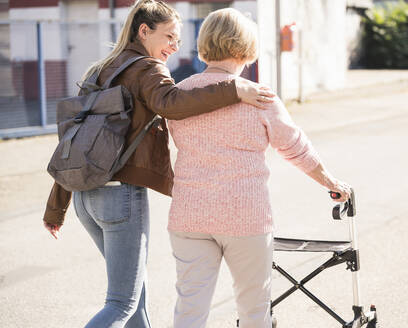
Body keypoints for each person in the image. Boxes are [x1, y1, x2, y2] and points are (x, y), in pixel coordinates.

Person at [42, 1, 275, 327]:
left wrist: (57, 207)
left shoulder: (99, 70)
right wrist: (234, 88)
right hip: (119, 197)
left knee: (134, 299)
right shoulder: (146, 68)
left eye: (178, 40)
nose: (174, 46)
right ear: (144, 31)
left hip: (84, 200)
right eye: (169, 36)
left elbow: (76, 144)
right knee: (121, 302)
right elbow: (173, 103)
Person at [166, 8, 352, 328]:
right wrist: (331, 182)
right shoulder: (259, 97)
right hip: (245, 217)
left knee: (190, 308)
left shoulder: (179, 96)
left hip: (189, 214)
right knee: (254, 309)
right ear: (245, 48)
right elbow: (295, 148)